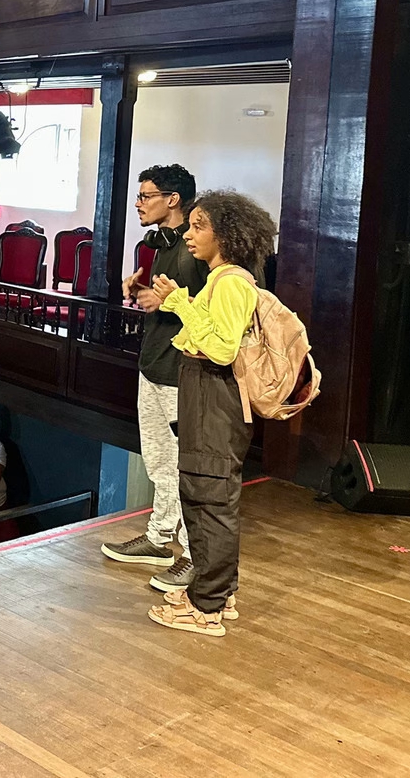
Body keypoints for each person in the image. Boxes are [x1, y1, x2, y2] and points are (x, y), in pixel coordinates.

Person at [145, 190, 274, 638]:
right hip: (203, 399)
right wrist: (180, 298)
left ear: (226, 234)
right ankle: (217, 592)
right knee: (200, 496)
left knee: (212, 500)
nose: (191, 234)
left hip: (217, 403)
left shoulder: (233, 281)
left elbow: (219, 349)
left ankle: (208, 607)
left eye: (200, 226)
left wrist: (180, 305)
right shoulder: (217, 279)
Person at [103, 164, 207, 589]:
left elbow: (211, 307)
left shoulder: (196, 248)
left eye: (146, 196)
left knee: (186, 464)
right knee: (160, 461)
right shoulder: (162, 245)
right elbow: (161, 300)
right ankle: (160, 537)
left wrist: (164, 302)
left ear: (173, 199)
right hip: (154, 364)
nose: (138, 204)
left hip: (181, 371)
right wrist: (140, 294)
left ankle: (192, 550)